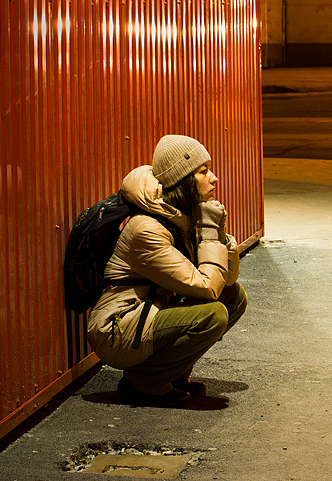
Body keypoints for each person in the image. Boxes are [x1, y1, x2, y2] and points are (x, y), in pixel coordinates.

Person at [87, 134, 248, 406]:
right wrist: (209, 232)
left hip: (149, 313)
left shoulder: (180, 215)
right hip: (119, 326)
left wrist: (218, 234)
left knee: (234, 297)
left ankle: (169, 376)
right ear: (183, 181)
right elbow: (208, 288)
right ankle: (144, 382)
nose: (214, 178)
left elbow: (226, 281)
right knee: (213, 313)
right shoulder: (147, 228)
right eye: (203, 172)